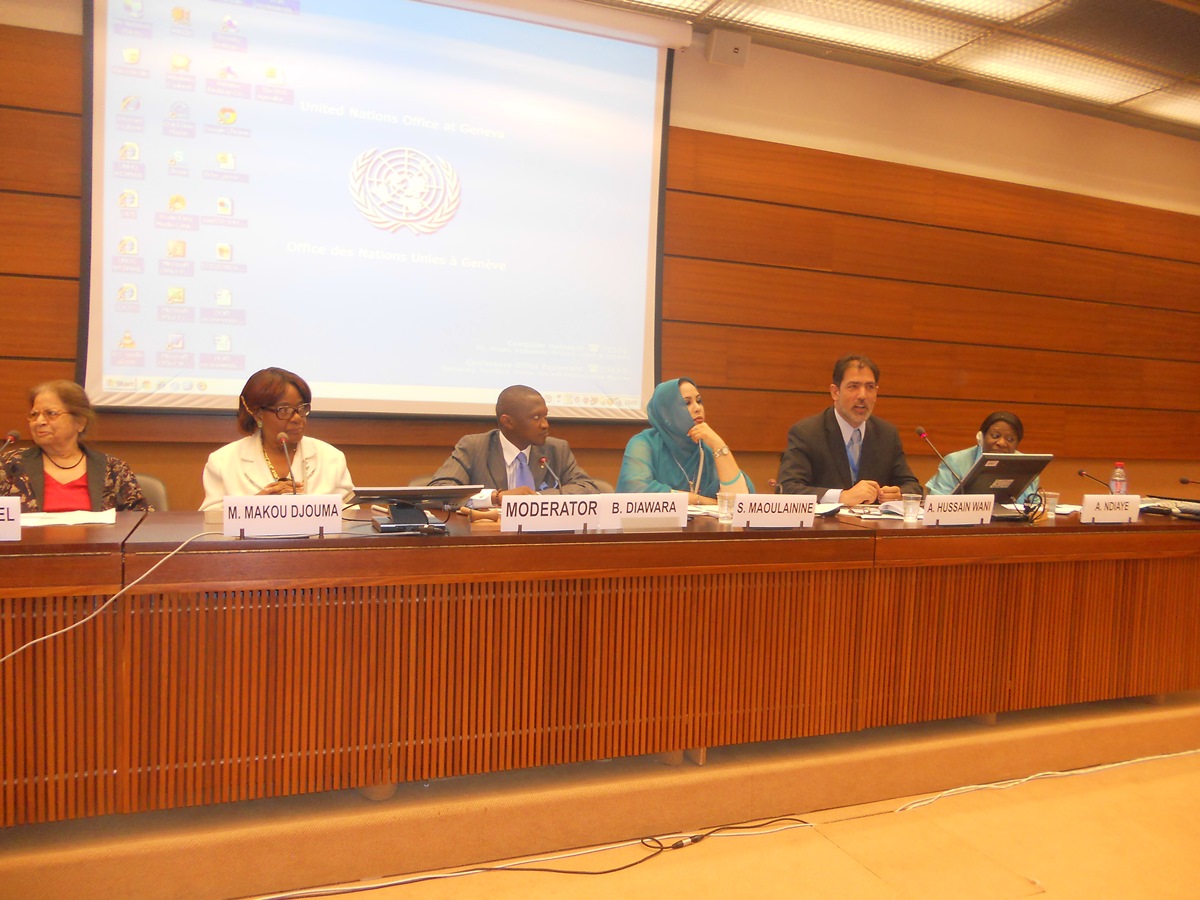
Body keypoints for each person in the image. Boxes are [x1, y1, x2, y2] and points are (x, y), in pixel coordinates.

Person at [200, 367, 355, 512]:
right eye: (284, 410)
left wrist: (307, 508)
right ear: (257, 414)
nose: (296, 418)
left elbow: (350, 514)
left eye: (301, 408)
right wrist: (256, 507)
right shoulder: (222, 461)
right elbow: (210, 521)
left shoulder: (331, 457)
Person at [777, 354, 921, 504]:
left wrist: (898, 494)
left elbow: (913, 487)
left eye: (870, 387)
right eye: (853, 387)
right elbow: (787, 488)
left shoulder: (886, 434)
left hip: (874, 526)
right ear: (835, 392)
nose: (862, 395)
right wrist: (841, 497)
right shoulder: (807, 433)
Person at [429, 384, 599, 506]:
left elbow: (588, 488)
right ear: (508, 422)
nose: (545, 425)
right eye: (535, 418)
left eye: (545, 416)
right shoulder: (474, 447)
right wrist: (497, 497)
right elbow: (439, 491)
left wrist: (537, 498)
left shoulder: (556, 449)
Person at [0, 380, 149, 512]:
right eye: (34, 414)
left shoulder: (113, 470)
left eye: (51, 413)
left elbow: (141, 519)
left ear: (80, 422)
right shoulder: (10, 465)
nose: (39, 421)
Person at [617, 377, 753, 504]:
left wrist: (719, 445)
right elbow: (635, 489)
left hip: (703, 529)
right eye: (687, 403)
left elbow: (741, 502)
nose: (697, 408)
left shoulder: (706, 449)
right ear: (666, 413)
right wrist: (699, 500)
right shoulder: (644, 443)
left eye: (699, 401)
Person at [925, 410, 1040, 502]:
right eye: (995, 436)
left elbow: (1034, 507)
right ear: (981, 437)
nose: (1001, 443)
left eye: (1010, 439)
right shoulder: (955, 462)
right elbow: (937, 503)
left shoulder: (1027, 466)